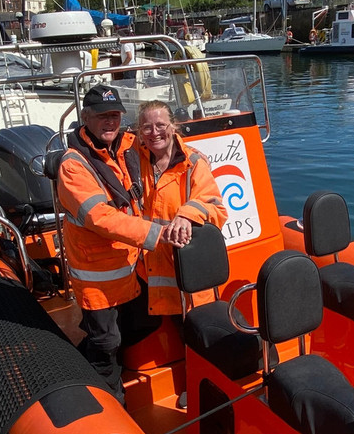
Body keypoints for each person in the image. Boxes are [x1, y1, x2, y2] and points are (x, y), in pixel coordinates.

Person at [56, 85, 170, 402]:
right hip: (98, 274)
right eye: (103, 116)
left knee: (147, 320)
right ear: (85, 118)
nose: (110, 122)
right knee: (107, 344)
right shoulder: (73, 165)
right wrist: (158, 233)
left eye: (115, 116)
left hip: (132, 265)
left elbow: (169, 147)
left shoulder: (128, 146)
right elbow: (100, 217)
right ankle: (108, 399)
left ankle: (89, 347)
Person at [134, 100, 228, 317]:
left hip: (185, 275)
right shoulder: (136, 160)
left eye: (161, 125)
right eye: (147, 127)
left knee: (191, 333)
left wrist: (187, 215)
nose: (154, 132)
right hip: (147, 274)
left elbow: (217, 210)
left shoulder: (193, 164)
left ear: (173, 127)